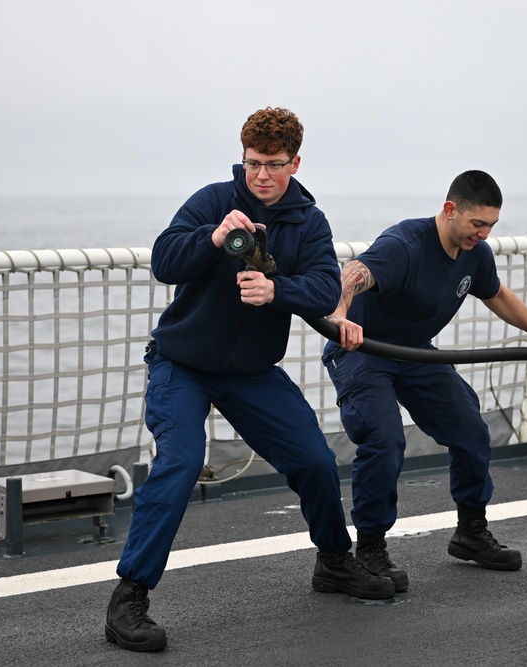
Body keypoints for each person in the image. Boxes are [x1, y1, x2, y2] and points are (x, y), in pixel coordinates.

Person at [104, 107, 395, 653]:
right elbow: (165, 262)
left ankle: (333, 560)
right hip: (182, 364)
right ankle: (130, 596)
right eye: (253, 163)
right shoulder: (214, 200)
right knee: (181, 461)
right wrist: (213, 239)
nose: (262, 175)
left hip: (253, 373)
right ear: (243, 158)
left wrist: (274, 291)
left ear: (295, 162)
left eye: (275, 165)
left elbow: (321, 290)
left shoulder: (308, 221)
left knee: (313, 459)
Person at [322, 170, 527, 592]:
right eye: (477, 224)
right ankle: (370, 548)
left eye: (491, 225)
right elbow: (353, 273)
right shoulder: (404, 245)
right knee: (384, 438)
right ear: (450, 210)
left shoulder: (476, 252)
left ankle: (471, 531)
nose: (484, 234)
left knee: (471, 429)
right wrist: (340, 315)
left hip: (416, 353)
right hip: (362, 352)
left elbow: (499, 296)